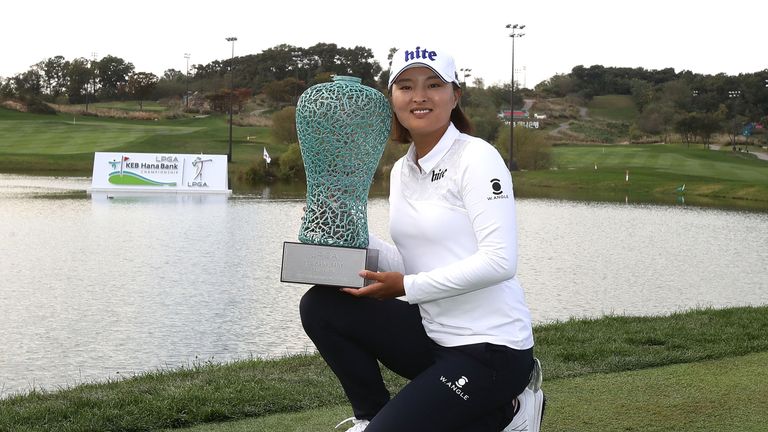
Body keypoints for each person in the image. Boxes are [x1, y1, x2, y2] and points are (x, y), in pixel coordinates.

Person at [300, 45, 544, 432]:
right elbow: (415, 261)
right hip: (430, 336)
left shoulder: (477, 157)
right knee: (321, 305)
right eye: (405, 86)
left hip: (490, 349)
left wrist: (405, 287)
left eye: (433, 85)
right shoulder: (401, 171)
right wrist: (343, 230)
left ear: (454, 96)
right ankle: (370, 415)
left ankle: (512, 410)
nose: (419, 96)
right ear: (392, 99)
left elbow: (500, 262)